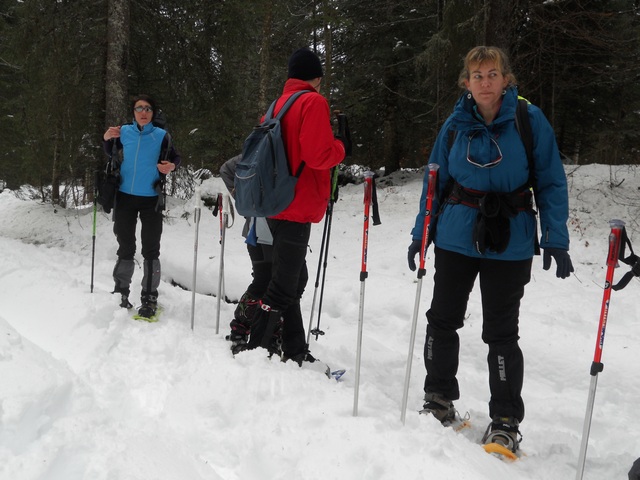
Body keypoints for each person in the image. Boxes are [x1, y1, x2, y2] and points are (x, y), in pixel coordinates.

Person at [407, 46, 573, 454]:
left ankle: (504, 421)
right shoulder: (454, 125)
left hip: (511, 238)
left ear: (505, 79)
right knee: (442, 319)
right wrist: (421, 233)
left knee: (501, 333)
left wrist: (555, 236)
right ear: (466, 81)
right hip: (455, 236)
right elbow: (434, 182)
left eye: (492, 74)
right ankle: (438, 398)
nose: (485, 82)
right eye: (477, 75)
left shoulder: (528, 120)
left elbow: (551, 180)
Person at [241, 47, 348, 364]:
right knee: (285, 284)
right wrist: (340, 147)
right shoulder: (313, 101)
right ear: (316, 78)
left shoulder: (276, 105)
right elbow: (318, 156)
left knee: (293, 280)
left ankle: (295, 349)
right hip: (296, 204)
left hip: (274, 203)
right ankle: (257, 350)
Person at [103, 94, 181, 318]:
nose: (144, 112)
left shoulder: (161, 136)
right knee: (126, 247)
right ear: (133, 112)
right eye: (139, 108)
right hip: (125, 197)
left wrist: (171, 166)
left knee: (150, 249)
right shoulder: (124, 131)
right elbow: (110, 152)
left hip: (151, 199)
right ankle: (121, 293)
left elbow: (176, 157)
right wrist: (106, 137)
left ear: (153, 113)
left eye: (147, 108)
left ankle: (149, 296)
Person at [219, 155, 273, 353]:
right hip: (257, 233)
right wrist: (241, 196)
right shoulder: (259, 151)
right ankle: (240, 329)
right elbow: (226, 169)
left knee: (277, 283)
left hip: (281, 233)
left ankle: (269, 332)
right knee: (262, 281)